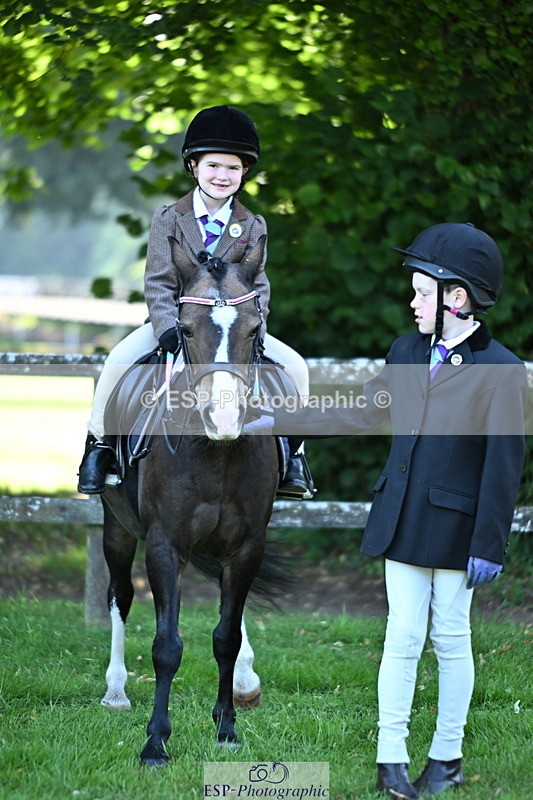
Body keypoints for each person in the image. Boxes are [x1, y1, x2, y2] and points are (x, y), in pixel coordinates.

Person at [266, 222, 527, 797]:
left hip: (459, 531)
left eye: (422, 293)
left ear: (456, 298)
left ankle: (448, 756)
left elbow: (503, 468)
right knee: (400, 637)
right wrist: (278, 420)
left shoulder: (501, 371)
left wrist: (490, 542)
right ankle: (391, 759)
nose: (412, 303)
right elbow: (360, 412)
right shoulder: (406, 351)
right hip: (401, 520)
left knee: (451, 638)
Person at [77, 105, 314, 498]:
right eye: (214, 166)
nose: (223, 176)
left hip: (234, 332)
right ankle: (98, 445)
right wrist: (167, 327)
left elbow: (260, 285)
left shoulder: (253, 225)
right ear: (194, 166)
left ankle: (296, 456)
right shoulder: (169, 218)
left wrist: (255, 329)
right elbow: (157, 281)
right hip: (177, 326)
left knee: (297, 367)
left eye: (233, 168)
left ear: (244, 172)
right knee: (116, 360)